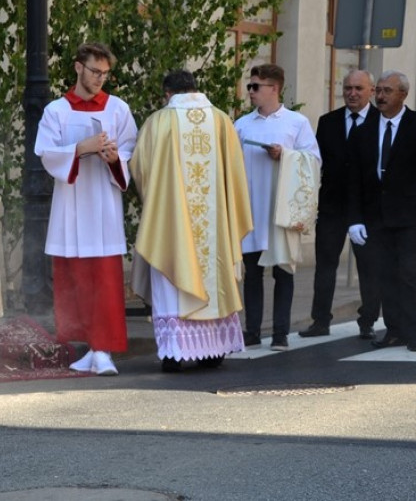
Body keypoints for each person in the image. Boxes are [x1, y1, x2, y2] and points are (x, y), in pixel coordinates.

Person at [129, 70, 253, 373]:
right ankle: (213, 350)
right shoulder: (222, 121)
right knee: (216, 277)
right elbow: (236, 175)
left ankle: (174, 353)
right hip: (215, 229)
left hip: (173, 225)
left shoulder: (159, 121)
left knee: (173, 276)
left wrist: (157, 198)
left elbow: (140, 167)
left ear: (168, 93)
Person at [34, 42, 137, 375]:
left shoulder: (118, 109)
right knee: (75, 279)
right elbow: (47, 153)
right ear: (78, 67)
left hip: (103, 206)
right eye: (95, 71)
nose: (100, 79)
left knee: (105, 280)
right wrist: (80, 148)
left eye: (106, 73)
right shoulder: (56, 111)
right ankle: (89, 348)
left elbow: (130, 151)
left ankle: (104, 349)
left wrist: (113, 158)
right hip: (71, 205)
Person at [234, 64, 321, 351]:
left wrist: (285, 155)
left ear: (274, 88)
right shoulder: (243, 124)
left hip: (281, 209)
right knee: (252, 271)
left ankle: (281, 332)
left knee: (283, 269)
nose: (250, 92)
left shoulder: (296, 123)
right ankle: (253, 330)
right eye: (250, 86)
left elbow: (313, 161)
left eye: (255, 86)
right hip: (251, 207)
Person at [300, 70, 381, 340]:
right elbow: (315, 162)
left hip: (367, 210)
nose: (352, 93)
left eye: (359, 88)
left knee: (369, 268)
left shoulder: (381, 121)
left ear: (371, 90)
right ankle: (320, 320)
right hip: (333, 206)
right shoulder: (328, 121)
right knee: (325, 266)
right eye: (348, 88)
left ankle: (368, 320)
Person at [347, 71, 416, 351]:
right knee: (385, 274)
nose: (381, 96)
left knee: (409, 274)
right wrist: (354, 219)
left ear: (403, 95)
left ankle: (413, 330)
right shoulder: (364, 130)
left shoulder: (414, 125)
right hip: (376, 216)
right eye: (379, 91)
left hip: (410, 216)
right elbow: (353, 179)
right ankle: (395, 330)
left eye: (388, 91)